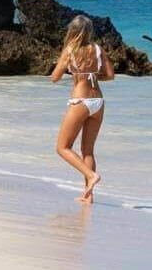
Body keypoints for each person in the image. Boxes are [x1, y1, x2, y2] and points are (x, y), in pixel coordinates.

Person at [51, 15, 115, 203]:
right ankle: (88, 195)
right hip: (98, 102)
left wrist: (71, 73)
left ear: (73, 30)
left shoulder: (70, 50)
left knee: (62, 147)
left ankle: (91, 175)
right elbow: (110, 75)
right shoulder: (97, 49)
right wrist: (92, 76)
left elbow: (55, 77)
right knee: (88, 151)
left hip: (80, 101)